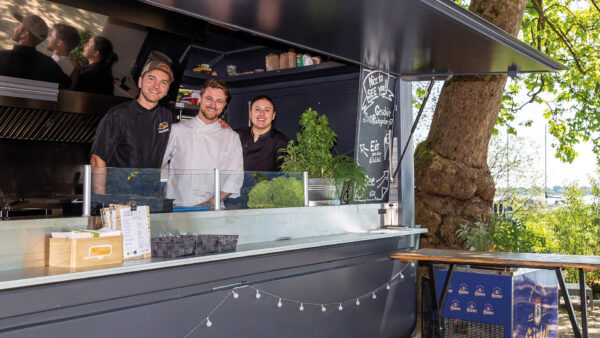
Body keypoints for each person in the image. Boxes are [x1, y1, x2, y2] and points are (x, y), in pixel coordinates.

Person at [90, 60, 174, 194]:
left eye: (163, 82)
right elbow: (97, 159)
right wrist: (102, 199)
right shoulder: (117, 115)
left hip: (149, 196)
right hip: (119, 195)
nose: (156, 86)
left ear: (167, 89)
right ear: (140, 82)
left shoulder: (166, 116)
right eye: (151, 79)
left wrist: (220, 124)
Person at [163, 78, 243, 209]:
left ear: (224, 105)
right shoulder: (177, 130)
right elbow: (156, 164)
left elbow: (235, 179)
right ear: (199, 98)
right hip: (179, 207)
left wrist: (211, 202)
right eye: (209, 98)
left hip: (213, 210)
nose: (213, 105)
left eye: (219, 101)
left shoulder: (231, 137)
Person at [0, 12, 71, 88]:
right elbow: (67, 84)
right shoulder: (50, 65)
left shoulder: (2, 57)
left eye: (18, 25)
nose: (15, 27)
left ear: (25, 33)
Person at [235, 95, 289, 171]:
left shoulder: (282, 143)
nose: (262, 114)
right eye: (257, 109)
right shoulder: (236, 135)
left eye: (267, 110)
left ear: (273, 115)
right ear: (250, 113)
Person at [46, 23, 81, 88]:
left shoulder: (53, 63)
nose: (48, 38)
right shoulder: (73, 65)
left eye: (51, 36)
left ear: (59, 43)